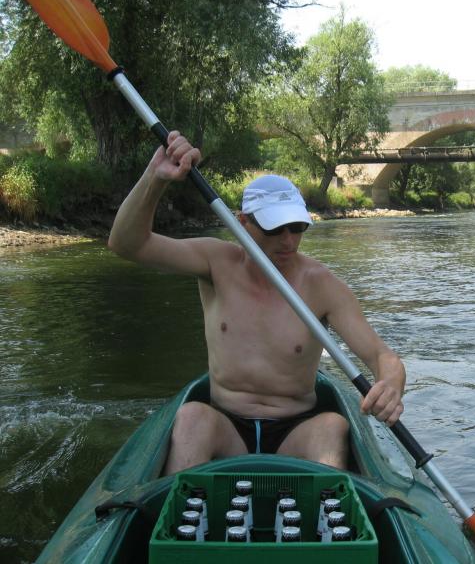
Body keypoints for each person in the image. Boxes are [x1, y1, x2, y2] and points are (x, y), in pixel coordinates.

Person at [108, 131, 405, 474]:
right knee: (191, 417)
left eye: (297, 227)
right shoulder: (215, 262)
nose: (288, 241)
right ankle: (184, 502)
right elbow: (127, 244)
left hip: (296, 430)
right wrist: (155, 178)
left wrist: (390, 384)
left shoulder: (322, 285)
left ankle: (322, 505)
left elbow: (382, 356)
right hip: (226, 427)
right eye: (274, 229)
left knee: (332, 427)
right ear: (242, 223)